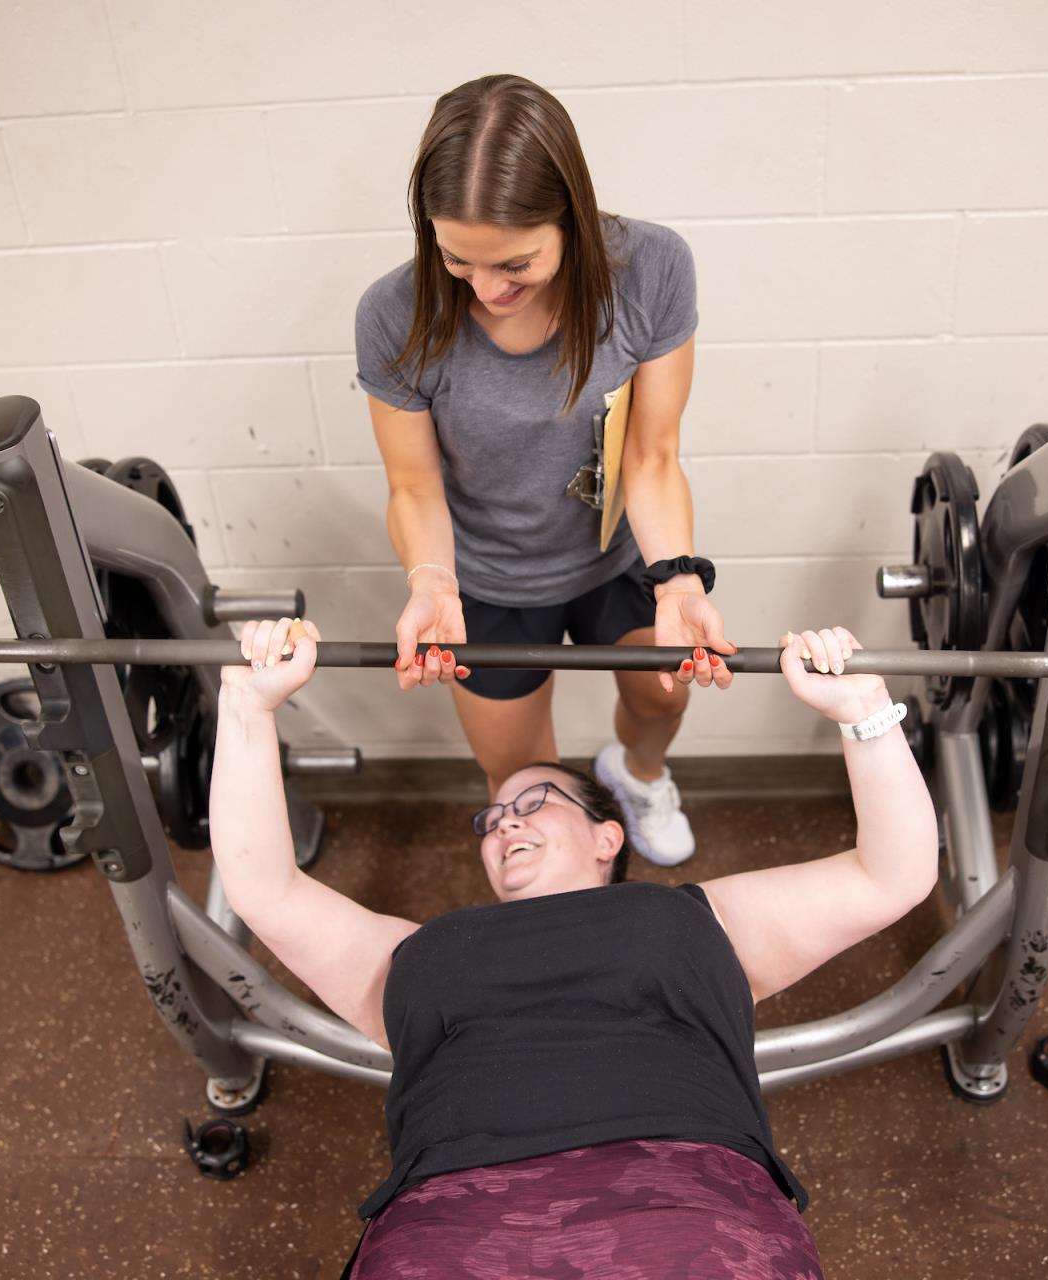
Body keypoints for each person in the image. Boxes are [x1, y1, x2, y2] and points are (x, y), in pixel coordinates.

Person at [212, 618, 940, 1278]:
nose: (504, 826)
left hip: (686, 1208)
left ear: (607, 838)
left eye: (533, 804)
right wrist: (248, 705)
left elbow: (892, 874)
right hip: (453, 1226)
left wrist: (863, 709)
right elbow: (264, 888)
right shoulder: (423, 950)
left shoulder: (693, 918)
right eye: (492, 818)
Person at [355, 73, 728, 866]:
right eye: (459, 260)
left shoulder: (651, 270)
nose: (488, 291)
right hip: (483, 579)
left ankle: (638, 774)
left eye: (516, 265)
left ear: (571, 219)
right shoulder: (394, 312)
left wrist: (679, 579)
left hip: (616, 551)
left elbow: (653, 455)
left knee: (664, 695)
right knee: (520, 780)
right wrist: (430, 582)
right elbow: (415, 485)